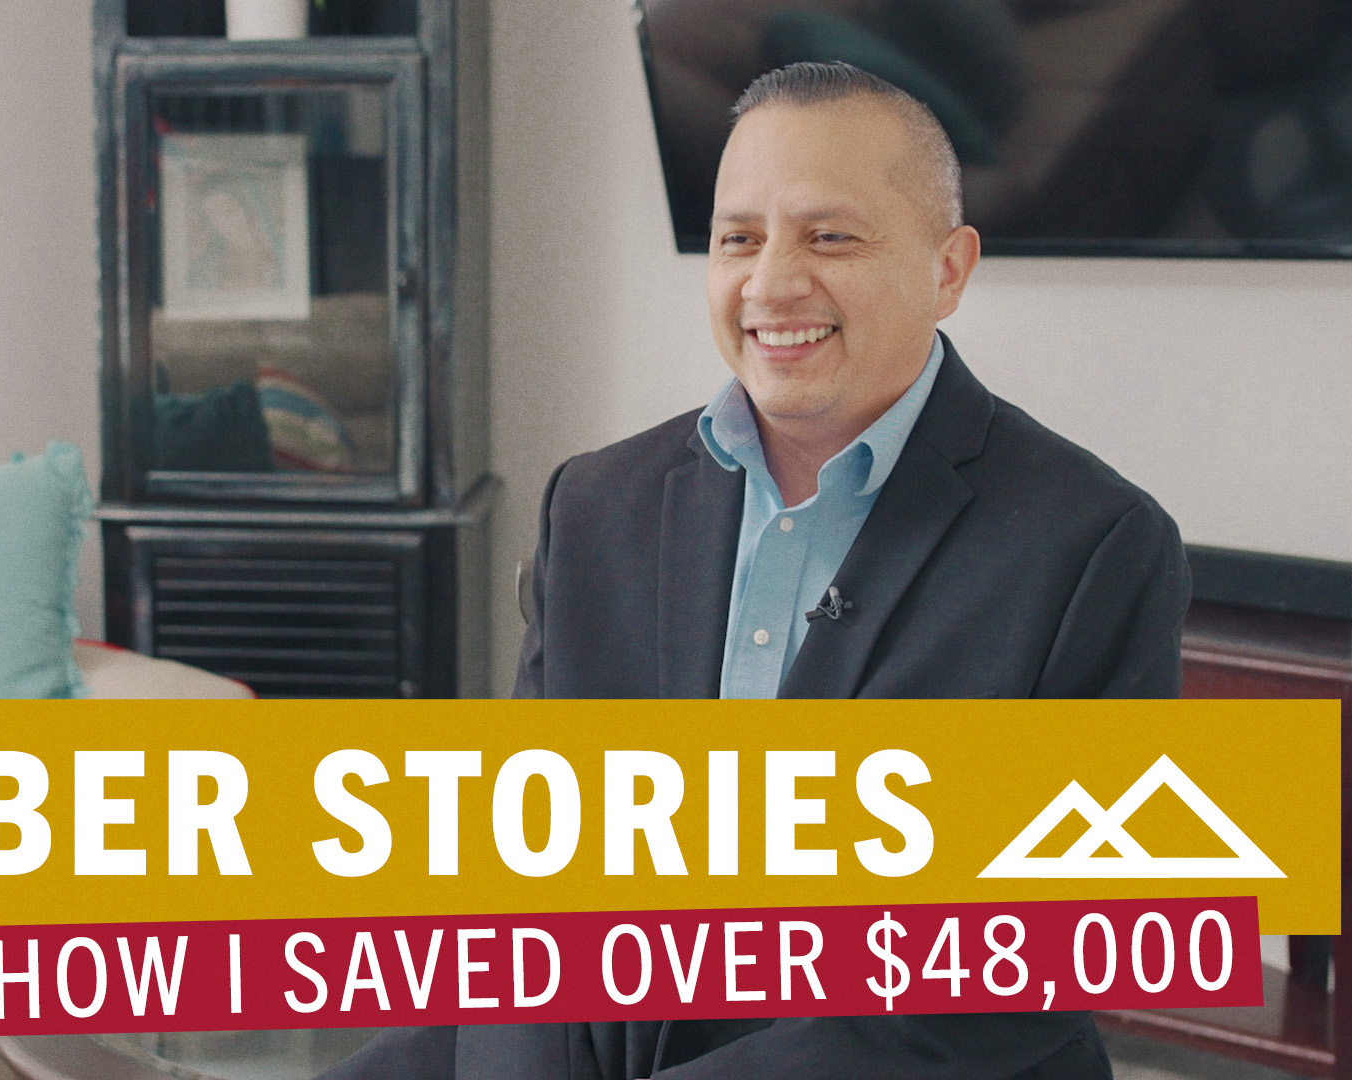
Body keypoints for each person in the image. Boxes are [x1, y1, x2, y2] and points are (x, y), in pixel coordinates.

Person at [324, 61, 1189, 1079]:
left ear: (949, 269)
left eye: (831, 236)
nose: (771, 281)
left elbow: (1025, 975)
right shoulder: (593, 505)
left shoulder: (1095, 547)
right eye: (737, 237)